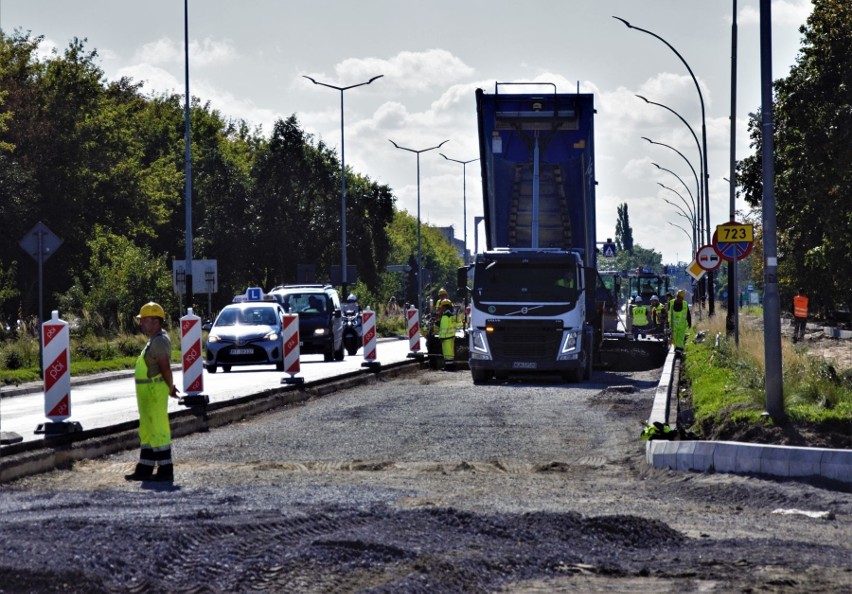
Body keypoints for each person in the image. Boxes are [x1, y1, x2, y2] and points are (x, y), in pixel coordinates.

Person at [125, 302, 179, 482]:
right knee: (147, 430)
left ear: (155, 321)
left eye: (145, 320)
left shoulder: (159, 342)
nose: (141, 324)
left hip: (154, 392)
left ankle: (165, 470)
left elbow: (165, 368)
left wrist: (170, 388)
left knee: (158, 429)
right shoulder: (154, 341)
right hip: (148, 394)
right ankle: (145, 468)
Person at [437, 298, 456, 370]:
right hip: (451, 336)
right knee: (450, 353)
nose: (441, 308)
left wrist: (441, 337)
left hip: (446, 338)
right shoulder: (451, 315)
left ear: (444, 307)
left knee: (447, 353)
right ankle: (451, 366)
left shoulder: (445, 316)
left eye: (441, 307)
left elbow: (444, 328)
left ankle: (448, 367)